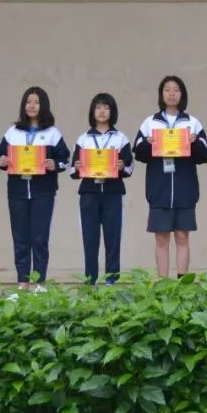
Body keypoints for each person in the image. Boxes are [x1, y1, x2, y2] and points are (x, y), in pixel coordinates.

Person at [132, 76, 207, 278]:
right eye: (167, 90)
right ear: (161, 94)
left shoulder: (192, 122)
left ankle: (182, 283)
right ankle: (163, 284)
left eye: (176, 90)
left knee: (183, 237)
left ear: (182, 94)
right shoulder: (150, 122)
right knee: (161, 238)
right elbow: (138, 152)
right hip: (159, 191)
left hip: (186, 190)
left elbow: (204, 155)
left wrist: (193, 142)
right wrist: (148, 143)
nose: (172, 94)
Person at [0, 86, 70, 292]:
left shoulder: (52, 133)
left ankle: (39, 283)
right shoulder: (12, 132)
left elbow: (65, 160)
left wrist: (54, 164)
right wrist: (2, 161)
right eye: (28, 102)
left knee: (39, 238)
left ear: (43, 105)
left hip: (43, 192)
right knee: (20, 238)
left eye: (36, 102)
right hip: (17, 191)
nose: (31, 106)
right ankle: (22, 283)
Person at [70, 93, 134, 284]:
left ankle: (111, 282)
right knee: (89, 239)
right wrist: (78, 167)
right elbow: (72, 169)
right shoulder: (83, 139)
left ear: (112, 111)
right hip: (89, 194)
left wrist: (122, 166)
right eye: (98, 107)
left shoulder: (120, 138)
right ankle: (90, 282)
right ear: (92, 111)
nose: (102, 111)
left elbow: (130, 167)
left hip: (113, 193)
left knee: (113, 239)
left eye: (106, 107)